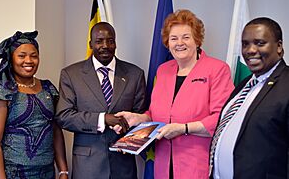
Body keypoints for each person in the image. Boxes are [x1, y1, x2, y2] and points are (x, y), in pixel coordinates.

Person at [115, 9, 234, 179]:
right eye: (174, 38)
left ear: (197, 40)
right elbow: (156, 114)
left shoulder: (217, 69)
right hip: (163, 163)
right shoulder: (163, 71)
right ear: (167, 43)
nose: (179, 43)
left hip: (197, 164)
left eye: (186, 37)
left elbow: (222, 119)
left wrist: (183, 129)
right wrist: (138, 118)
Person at [55, 22, 146, 179]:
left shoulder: (135, 74)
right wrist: (102, 119)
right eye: (99, 41)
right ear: (91, 44)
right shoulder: (71, 74)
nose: (105, 45)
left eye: (110, 41)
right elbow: (64, 116)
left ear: (115, 43)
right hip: (88, 167)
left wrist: (130, 139)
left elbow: (142, 116)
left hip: (123, 165)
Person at [209, 17, 289, 179]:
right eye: (245, 44)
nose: (250, 50)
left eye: (260, 43)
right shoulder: (245, 84)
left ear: (279, 47)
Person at [0, 31, 68, 178]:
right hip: (13, 173)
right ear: (10, 59)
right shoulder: (1, 91)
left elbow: (56, 131)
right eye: (21, 56)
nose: (29, 60)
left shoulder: (48, 88)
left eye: (34, 56)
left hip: (46, 172)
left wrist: (63, 170)